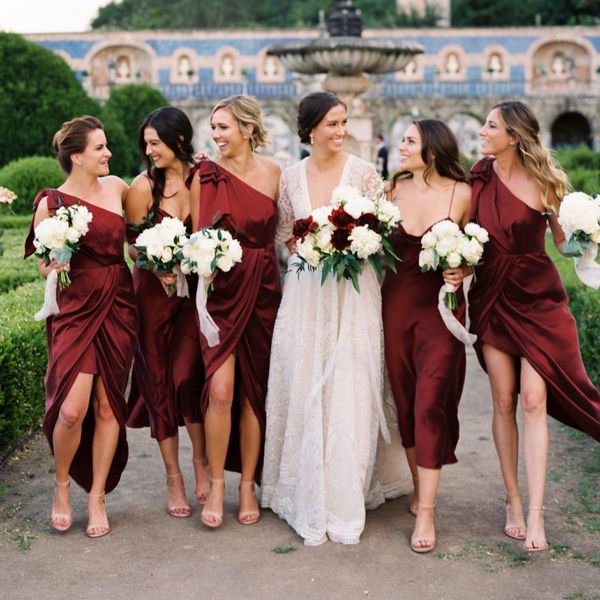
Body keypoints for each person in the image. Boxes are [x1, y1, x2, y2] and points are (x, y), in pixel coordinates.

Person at [261, 91, 403, 546]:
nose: (341, 131)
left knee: (350, 383)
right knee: (303, 380)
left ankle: (344, 496)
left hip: (354, 294)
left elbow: (381, 234)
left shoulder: (364, 173)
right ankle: (305, 489)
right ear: (310, 130)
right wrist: (315, 247)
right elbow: (286, 235)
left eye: (344, 123)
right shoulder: (289, 177)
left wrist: (351, 244)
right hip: (305, 294)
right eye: (332, 124)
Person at [468, 101, 600, 552]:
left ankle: (539, 515)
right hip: (492, 297)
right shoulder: (478, 176)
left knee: (532, 399)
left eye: (491, 125)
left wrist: (589, 234)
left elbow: (563, 246)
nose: (483, 131)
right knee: (503, 400)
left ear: (513, 135)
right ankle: (513, 500)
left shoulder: (545, 182)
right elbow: (466, 234)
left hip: (539, 301)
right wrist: (454, 267)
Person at [24, 116, 138, 537]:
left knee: (109, 406)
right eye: (99, 148)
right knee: (71, 411)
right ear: (76, 156)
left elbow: (137, 239)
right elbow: (41, 263)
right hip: (73, 308)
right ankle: (60, 487)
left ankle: (97, 498)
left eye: (106, 146)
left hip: (118, 303)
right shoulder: (51, 204)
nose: (108, 153)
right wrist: (53, 262)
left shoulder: (119, 189)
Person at [189, 95, 282, 528]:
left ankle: (248, 484)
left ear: (247, 129)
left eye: (224, 126)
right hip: (222, 291)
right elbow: (194, 239)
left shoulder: (275, 173)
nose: (216, 134)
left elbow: (286, 234)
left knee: (253, 392)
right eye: (214, 127)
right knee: (221, 389)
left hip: (264, 288)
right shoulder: (204, 176)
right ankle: (217, 484)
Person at [382, 119, 471, 553]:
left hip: (441, 311)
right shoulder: (391, 191)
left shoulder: (462, 193)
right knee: (405, 399)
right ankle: (420, 489)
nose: (401, 146)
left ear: (432, 149)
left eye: (410, 141)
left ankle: (429, 514)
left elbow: (483, 249)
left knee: (431, 399)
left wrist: (466, 267)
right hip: (394, 308)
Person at [125, 106, 209, 519]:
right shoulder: (141, 187)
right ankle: (173, 477)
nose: (149, 150)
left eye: (155, 143)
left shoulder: (203, 178)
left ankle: (201, 462)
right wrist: (154, 267)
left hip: (194, 295)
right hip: (153, 298)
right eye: (146, 144)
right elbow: (133, 244)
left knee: (187, 375)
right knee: (158, 381)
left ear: (178, 140)